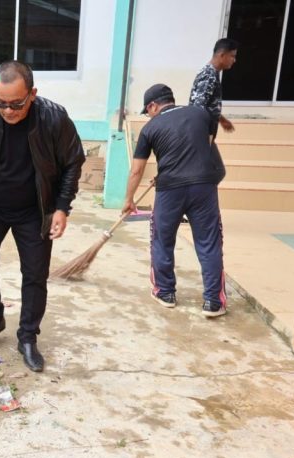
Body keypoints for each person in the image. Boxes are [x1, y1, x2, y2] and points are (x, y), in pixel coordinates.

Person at [0, 60, 85, 372]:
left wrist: (61, 207)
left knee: (35, 275)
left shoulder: (54, 118)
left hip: (35, 210)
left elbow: (73, 162)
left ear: (33, 94)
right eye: (2, 103)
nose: (9, 111)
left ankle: (27, 336)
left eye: (17, 104)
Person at [122, 84, 227, 318]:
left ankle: (165, 292)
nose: (148, 114)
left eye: (147, 110)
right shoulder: (201, 114)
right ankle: (213, 301)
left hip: (170, 190)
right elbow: (206, 145)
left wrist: (129, 200)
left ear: (152, 106)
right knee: (209, 242)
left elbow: (136, 170)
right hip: (203, 187)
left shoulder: (150, 128)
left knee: (162, 240)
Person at [189, 38, 239, 137]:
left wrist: (222, 120)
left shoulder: (212, 73)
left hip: (206, 130)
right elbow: (198, 108)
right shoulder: (208, 75)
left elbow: (209, 105)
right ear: (222, 55)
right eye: (232, 56)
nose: (234, 60)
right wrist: (200, 137)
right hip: (201, 132)